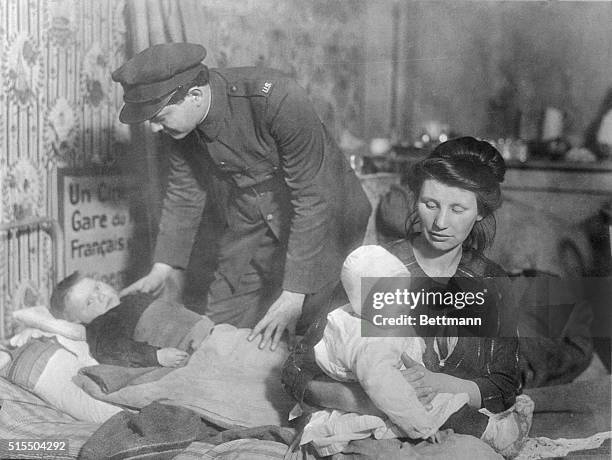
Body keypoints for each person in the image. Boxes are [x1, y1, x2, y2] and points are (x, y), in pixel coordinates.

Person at [282, 137, 532, 457]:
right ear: (415, 201)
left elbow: (504, 386)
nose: (440, 222)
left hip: (450, 430)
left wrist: (433, 383)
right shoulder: (375, 269)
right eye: (430, 204)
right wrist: (370, 400)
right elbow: (295, 373)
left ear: (481, 212)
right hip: (365, 424)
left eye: (458, 209)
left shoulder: (491, 281)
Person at [111, 43, 371, 350]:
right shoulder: (180, 127)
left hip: (325, 223)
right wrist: (163, 266)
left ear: (194, 96)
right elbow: (184, 192)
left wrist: (293, 293)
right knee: (214, 329)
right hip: (252, 225)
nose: (156, 127)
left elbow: (313, 198)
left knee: (323, 336)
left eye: (159, 117)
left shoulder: (276, 97)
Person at [300, 245, 469, 457]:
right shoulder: (368, 340)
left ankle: (495, 430)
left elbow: (409, 345)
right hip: (379, 405)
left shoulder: (384, 319)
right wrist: (423, 426)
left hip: (401, 398)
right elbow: (384, 385)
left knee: (452, 405)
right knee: (448, 409)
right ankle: (497, 432)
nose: (401, 302)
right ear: (362, 304)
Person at [49, 272, 190, 368]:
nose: (101, 296)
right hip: (180, 347)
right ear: (77, 321)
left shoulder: (126, 299)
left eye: (97, 287)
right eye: (89, 302)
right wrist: (156, 356)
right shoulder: (102, 325)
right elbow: (113, 348)